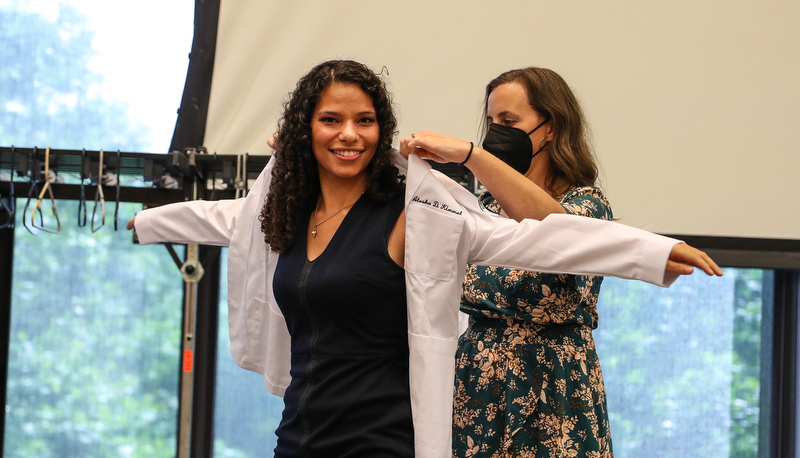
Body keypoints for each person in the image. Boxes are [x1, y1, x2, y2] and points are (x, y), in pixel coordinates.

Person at [128, 60, 721, 458]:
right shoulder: (287, 212)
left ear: (382, 130)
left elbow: (539, 239)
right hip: (301, 437)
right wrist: (147, 221)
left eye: (364, 121)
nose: (348, 134)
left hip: (394, 436)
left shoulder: (421, 212)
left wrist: (651, 251)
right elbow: (225, 220)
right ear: (303, 128)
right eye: (330, 120)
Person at [400, 67, 684, 457]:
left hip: (553, 389)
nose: (497, 131)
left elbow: (555, 231)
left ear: (550, 128)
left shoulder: (586, 205)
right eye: (492, 122)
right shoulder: (481, 208)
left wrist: (473, 156)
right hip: (475, 389)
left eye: (510, 121)